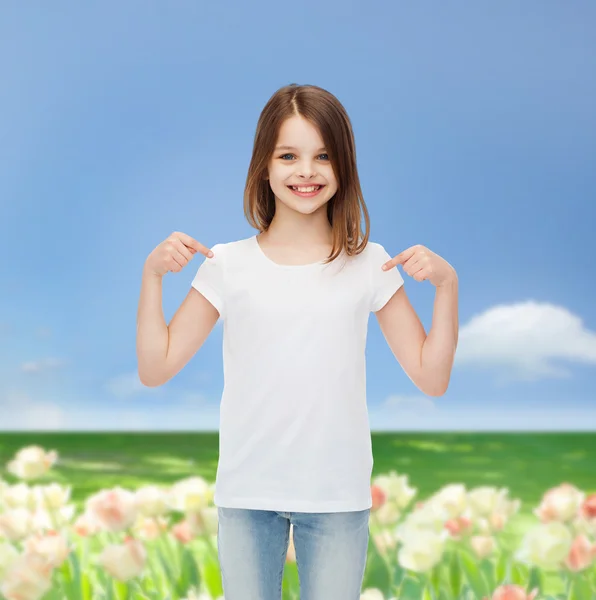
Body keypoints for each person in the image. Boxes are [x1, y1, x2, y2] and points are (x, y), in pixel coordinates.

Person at [137, 83, 459, 600]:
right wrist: (152, 276)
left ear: (344, 166)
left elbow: (432, 377)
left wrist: (447, 287)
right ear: (264, 166)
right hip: (246, 492)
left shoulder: (370, 263)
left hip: (337, 496)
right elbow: (156, 368)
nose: (305, 172)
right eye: (289, 155)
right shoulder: (227, 265)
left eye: (323, 156)